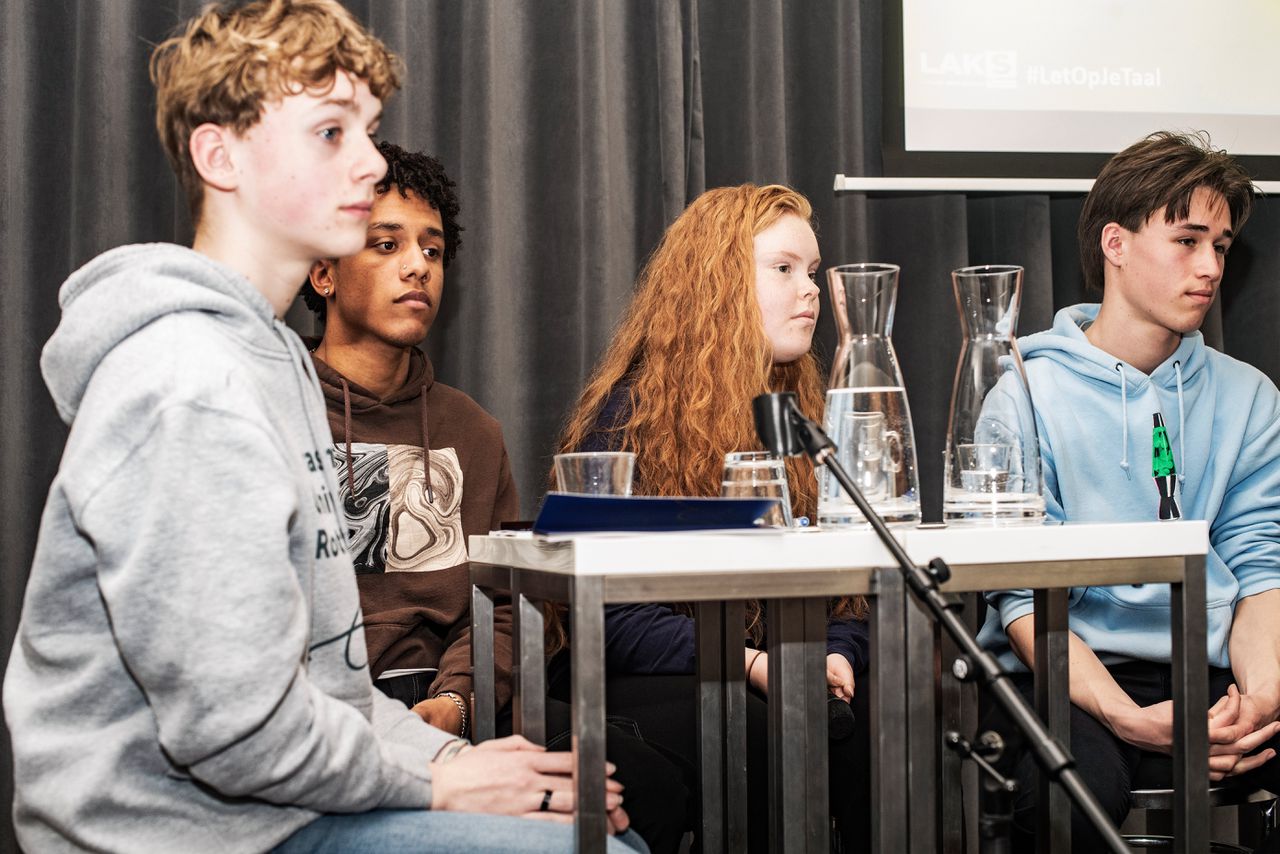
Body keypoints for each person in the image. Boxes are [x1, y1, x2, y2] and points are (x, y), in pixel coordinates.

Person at [3, 2, 641, 852]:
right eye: (332, 132)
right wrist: (446, 779)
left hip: (290, 801)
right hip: (185, 831)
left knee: (593, 829)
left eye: (370, 132)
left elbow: (328, 693)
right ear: (218, 155)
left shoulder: (270, 360)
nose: (372, 162)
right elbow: (232, 732)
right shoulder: (186, 382)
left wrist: (459, 754)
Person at [300, 140, 687, 853]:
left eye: (434, 250)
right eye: (385, 244)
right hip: (323, 719)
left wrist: (455, 705)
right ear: (322, 270)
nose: (418, 265)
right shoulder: (273, 411)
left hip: (452, 705)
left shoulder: (469, 430)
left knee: (633, 808)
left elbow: (508, 602)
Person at [976, 131, 1280, 849]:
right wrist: (1124, 715)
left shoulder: (1249, 398)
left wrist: (1260, 699)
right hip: (1066, 673)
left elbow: (1260, 563)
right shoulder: (1022, 391)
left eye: (1222, 246)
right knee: (1070, 792)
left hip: (1208, 666)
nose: (1209, 267)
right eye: (1187, 240)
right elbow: (1020, 595)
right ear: (1115, 244)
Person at [553, 183, 872, 852]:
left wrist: (836, 653)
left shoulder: (799, 415)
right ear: (717, 284)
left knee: (893, 717)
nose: (810, 291)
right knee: (765, 731)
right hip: (649, 680)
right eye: (784, 270)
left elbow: (847, 585)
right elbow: (608, 619)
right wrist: (755, 663)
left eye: (811, 272)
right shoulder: (625, 419)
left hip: (777, 667)